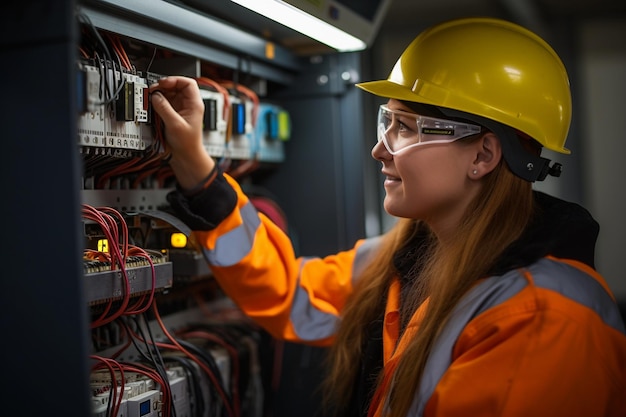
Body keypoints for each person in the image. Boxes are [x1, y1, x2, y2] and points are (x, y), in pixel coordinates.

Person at [148, 16, 626, 417]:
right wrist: (199, 173)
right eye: (387, 122)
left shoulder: (543, 319)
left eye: (406, 128)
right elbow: (293, 295)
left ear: (483, 154)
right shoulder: (406, 257)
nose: (379, 149)